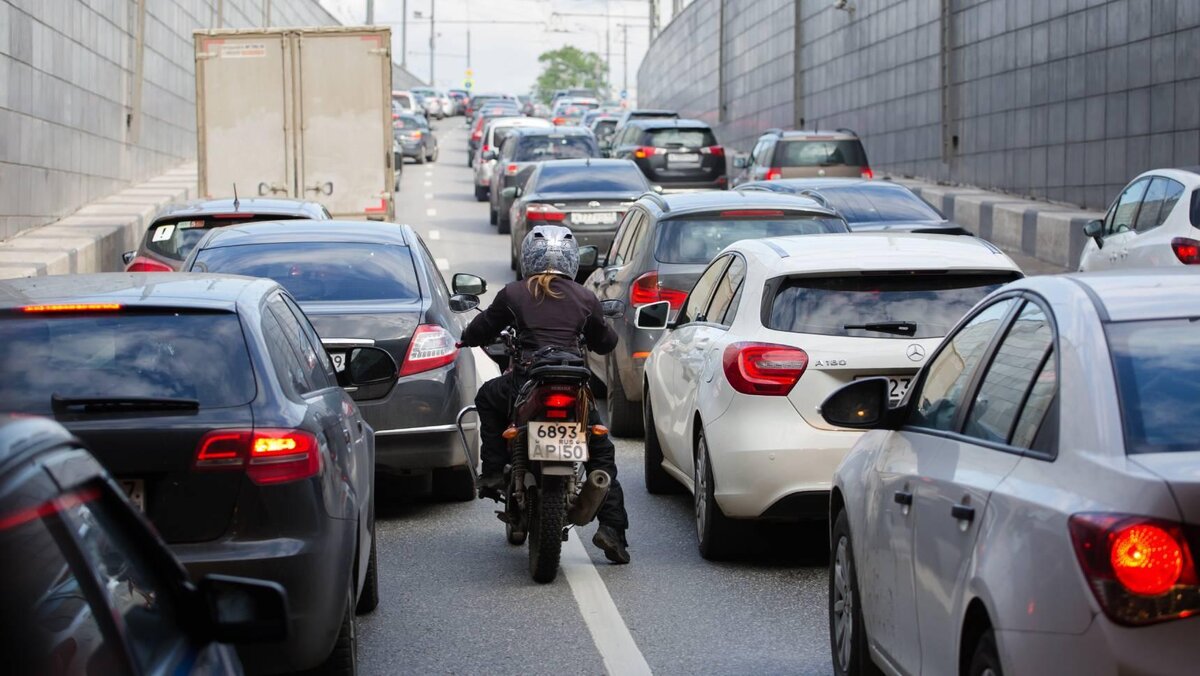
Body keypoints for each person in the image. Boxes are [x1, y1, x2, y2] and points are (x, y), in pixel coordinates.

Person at [460, 225, 630, 564]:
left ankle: (494, 469)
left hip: (527, 381)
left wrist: (467, 337)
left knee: (486, 397)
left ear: (528, 258)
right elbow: (606, 342)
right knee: (600, 451)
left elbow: (480, 330)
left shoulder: (513, 293)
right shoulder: (585, 296)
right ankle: (611, 529)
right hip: (574, 384)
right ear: (569, 260)